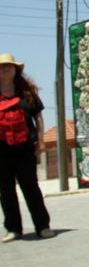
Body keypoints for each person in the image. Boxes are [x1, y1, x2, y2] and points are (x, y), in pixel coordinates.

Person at [0, 53, 54, 242]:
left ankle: (43, 226)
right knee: (6, 190)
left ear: (16, 70)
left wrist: (40, 140)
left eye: (9, 66)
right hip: (1, 151)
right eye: (1, 67)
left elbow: (38, 117)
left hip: (24, 148)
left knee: (31, 187)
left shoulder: (27, 92)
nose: (5, 69)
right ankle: (13, 229)